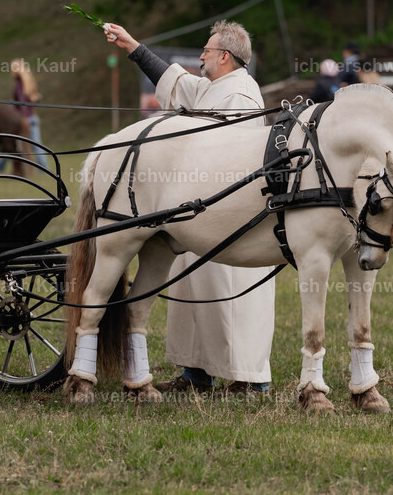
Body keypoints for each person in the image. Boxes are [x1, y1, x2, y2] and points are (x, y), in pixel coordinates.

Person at [104, 20, 275, 396]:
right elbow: (174, 81)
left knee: (229, 296)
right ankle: (197, 374)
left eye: (207, 51)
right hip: (196, 211)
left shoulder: (241, 96)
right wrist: (133, 46)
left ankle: (249, 378)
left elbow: (229, 156)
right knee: (192, 293)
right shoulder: (215, 88)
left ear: (225, 57)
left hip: (230, 216)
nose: (201, 56)